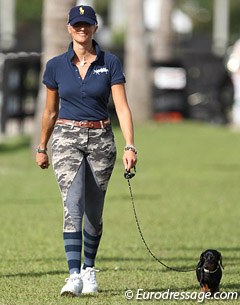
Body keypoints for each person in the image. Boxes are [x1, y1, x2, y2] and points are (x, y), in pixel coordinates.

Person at [35, 5, 137, 297]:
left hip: (102, 138)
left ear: (94, 28)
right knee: (72, 205)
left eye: (87, 25)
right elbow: (50, 111)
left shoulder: (110, 62)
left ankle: (90, 269)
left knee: (94, 211)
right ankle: (73, 275)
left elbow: (122, 107)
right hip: (67, 137)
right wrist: (42, 146)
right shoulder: (55, 65)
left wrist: (130, 145)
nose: (82, 29)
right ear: (69, 29)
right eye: (77, 25)